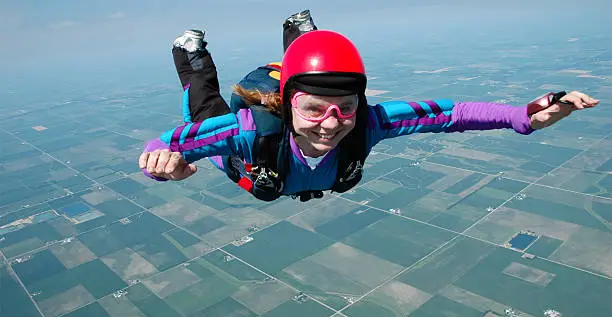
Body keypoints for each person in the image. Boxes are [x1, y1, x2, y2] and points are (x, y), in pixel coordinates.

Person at [139, 13, 599, 202]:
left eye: (346, 108)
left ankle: (304, 38)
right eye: (315, 110)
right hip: (244, 153)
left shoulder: (368, 124)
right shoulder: (244, 129)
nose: (331, 124)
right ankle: (190, 48)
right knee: (204, 108)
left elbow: (450, 114)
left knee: (320, 76)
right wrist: (165, 164)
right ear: (287, 103)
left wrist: (524, 117)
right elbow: (162, 148)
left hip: (276, 153)